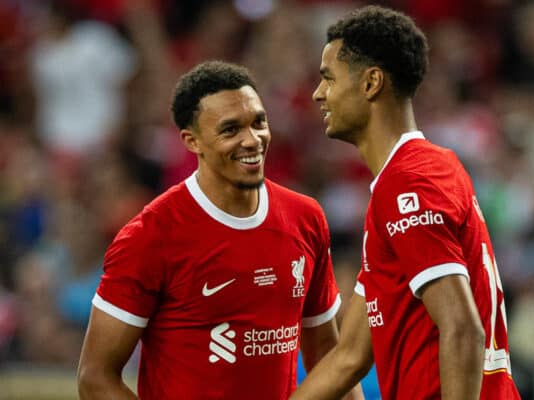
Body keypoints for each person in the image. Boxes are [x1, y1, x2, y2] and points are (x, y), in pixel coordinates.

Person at [77, 61, 363, 400]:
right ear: (192, 141)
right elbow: (95, 378)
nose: (252, 139)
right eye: (230, 130)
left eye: (259, 122)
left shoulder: (306, 217)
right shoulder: (151, 235)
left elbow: (327, 358)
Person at [291, 5, 521, 400]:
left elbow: (462, 327)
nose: (318, 93)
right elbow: (349, 356)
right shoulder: (410, 177)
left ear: (371, 83)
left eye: (328, 78)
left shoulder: (409, 182)